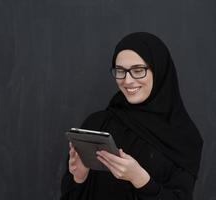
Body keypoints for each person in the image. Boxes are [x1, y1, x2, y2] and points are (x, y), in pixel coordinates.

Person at [60, 32, 203, 200]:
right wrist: (79, 178)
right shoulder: (97, 122)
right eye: (120, 71)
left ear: (159, 70)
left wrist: (140, 179)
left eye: (138, 70)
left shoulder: (184, 137)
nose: (127, 81)